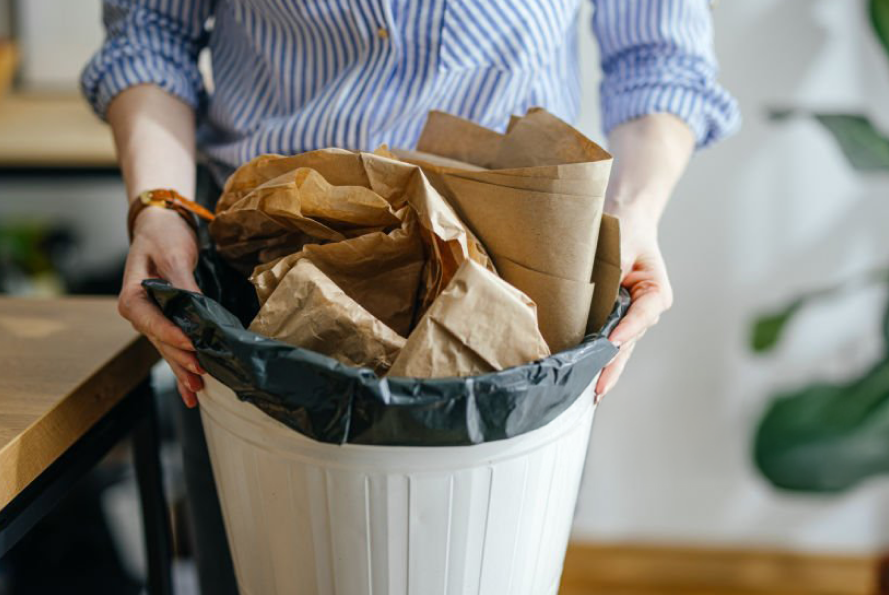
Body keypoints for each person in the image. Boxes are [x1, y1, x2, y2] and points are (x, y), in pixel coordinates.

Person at [83, 0, 739, 409]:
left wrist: (635, 214)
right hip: (260, 282)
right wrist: (157, 204)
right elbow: (151, 29)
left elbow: (659, 57)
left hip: (517, 302)